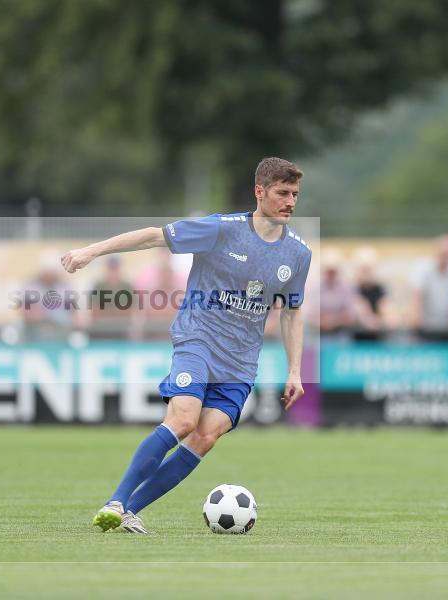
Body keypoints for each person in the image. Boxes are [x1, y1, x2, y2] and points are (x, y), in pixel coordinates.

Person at [61, 157, 312, 534]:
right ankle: (116, 499)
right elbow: (152, 235)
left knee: (205, 437)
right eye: (282, 193)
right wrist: (91, 252)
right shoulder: (221, 230)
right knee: (182, 420)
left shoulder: (298, 254)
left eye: (294, 194)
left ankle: (128, 510)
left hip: (241, 363)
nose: (290, 201)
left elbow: (292, 311)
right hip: (198, 341)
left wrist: (295, 370)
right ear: (259, 192)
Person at [410, 234, 448, 341]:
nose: (446, 258)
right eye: (444, 254)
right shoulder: (422, 269)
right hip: (426, 327)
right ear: (436, 252)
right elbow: (417, 298)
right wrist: (417, 328)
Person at [318, 248, 357, 341]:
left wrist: (333, 321)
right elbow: (310, 313)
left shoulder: (346, 287)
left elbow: (351, 313)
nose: (331, 274)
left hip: (341, 332)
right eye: (329, 270)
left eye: (333, 271)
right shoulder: (314, 287)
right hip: (318, 333)